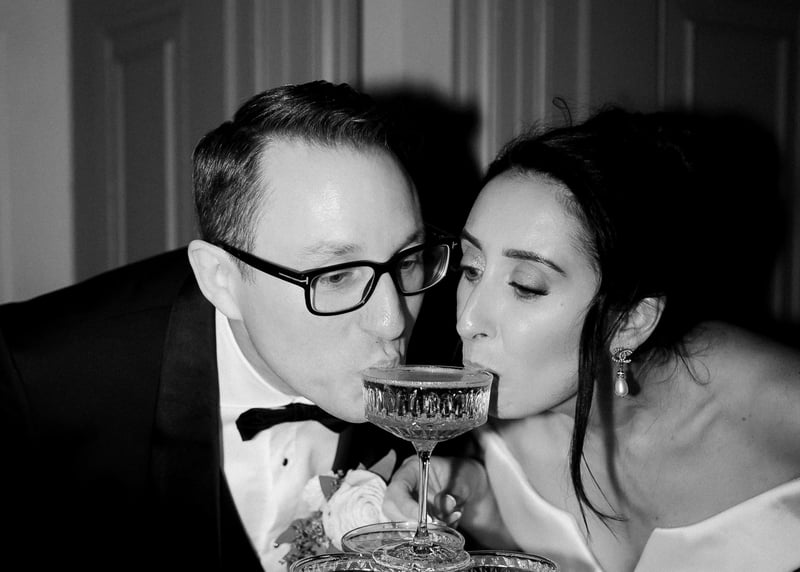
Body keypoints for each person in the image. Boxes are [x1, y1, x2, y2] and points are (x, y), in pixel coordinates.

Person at [0, 80, 458, 571]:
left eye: (408, 259)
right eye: (336, 276)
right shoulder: (37, 380)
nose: (393, 321)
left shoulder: (457, 354)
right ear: (220, 279)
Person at [384, 108, 800, 571]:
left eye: (526, 286)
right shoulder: (499, 417)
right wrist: (481, 503)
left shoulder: (781, 409)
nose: (466, 322)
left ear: (630, 321)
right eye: (471, 268)